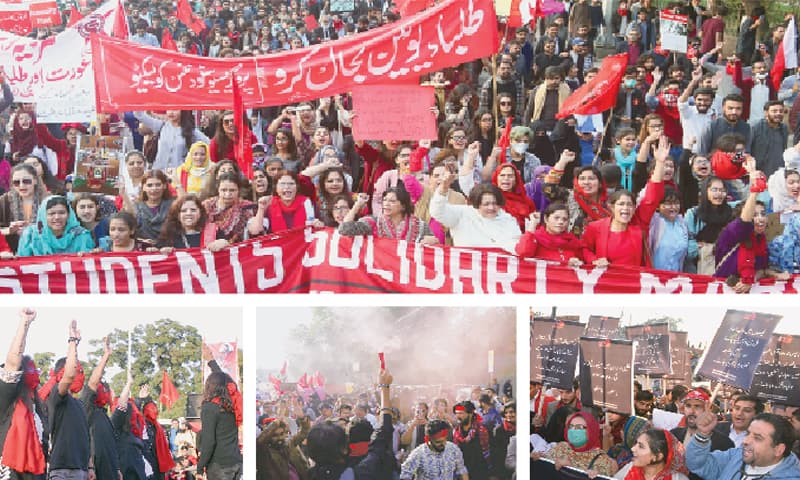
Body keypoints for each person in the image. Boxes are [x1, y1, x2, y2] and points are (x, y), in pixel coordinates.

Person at [581, 136, 668, 267]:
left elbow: (652, 197)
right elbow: (584, 249)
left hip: (634, 283)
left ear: (634, 208)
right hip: (606, 282)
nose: (626, 208)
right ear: (611, 206)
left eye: (629, 205)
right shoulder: (596, 228)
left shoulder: (639, 223)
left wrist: (660, 163)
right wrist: (594, 260)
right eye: (621, 204)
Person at [306, 368, 395, 479]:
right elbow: (382, 437)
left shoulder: (308, 475)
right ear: (344, 449)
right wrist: (384, 388)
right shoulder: (357, 474)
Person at [0, 309, 47, 480]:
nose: (34, 373)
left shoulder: (39, 410)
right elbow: (13, 360)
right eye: (29, 368)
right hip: (9, 472)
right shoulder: (7, 398)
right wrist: (25, 323)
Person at [687, 412, 800, 479]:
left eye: (757, 438)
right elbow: (698, 465)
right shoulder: (735, 456)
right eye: (748, 433)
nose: (745, 441)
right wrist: (703, 434)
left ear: (778, 450)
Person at [430, 170, 522, 253]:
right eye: (486, 204)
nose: (491, 207)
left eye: (495, 203)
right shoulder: (462, 214)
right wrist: (444, 188)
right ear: (477, 204)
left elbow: (517, 247)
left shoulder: (508, 220)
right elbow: (437, 211)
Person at [46, 319, 91, 480]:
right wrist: (73, 342)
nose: (79, 373)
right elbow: (69, 375)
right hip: (61, 470)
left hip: (81, 470)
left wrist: (90, 466)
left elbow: (86, 437)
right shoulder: (57, 397)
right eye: (76, 369)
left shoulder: (79, 404)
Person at [339, 186, 437, 244]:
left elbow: (435, 246)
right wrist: (357, 205)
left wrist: (433, 241)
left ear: (403, 206)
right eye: (385, 200)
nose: (386, 204)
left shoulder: (420, 226)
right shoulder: (373, 222)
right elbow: (344, 229)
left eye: (392, 201)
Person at [197, 370, 243, 480]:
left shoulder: (210, 408)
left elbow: (209, 441)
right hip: (236, 462)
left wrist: (200, 466)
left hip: (219, 465)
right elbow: (226, 379)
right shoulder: (233, 408)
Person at [684, 177, 735, 274]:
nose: (719, 193)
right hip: (699, 266)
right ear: (705, 191)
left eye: (722, 190)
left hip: (726, 263)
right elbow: (687, 245)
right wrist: (700, 248)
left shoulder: (731, 211)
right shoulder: (693, 214)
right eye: (714, 190)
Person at [545, 411, 619, 476]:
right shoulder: (561, 447)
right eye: (570, 426)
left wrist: (571, 468)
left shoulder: (602, 460)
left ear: (591, 431)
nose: (573, 430)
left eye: (579, 427)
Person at [17, 195, 94, 256]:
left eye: (61, 213)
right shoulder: (30, 235)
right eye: (51, 213)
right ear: (43, 216)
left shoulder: (81, 235)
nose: (57, 217)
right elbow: (20, 263)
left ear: (69, 215)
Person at [134, 110, 209, 171]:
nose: (171, 112)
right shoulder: (161, 126)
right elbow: (139, 115)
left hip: (179, 173)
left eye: (175, 109)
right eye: (169, 109)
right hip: (159, 171)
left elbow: (208, 143)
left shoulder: (191, 131)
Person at [256, 397, 310, 480]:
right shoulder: (264, 452)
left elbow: (304, 432)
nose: (280, 438)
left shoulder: (289, 443)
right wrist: (276, 422)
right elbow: (258, 442)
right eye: (275, 435)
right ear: (268, 436)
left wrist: (302, 418)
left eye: (282, 434)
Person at [515, 203, 585, 265]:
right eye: (556, 218)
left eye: (564, 219)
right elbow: (523, 253)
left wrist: (576, 263)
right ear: (546, 219)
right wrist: (533, 224)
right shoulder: (535, 238)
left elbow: (584, 260)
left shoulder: (572, 241)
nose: (561, 222)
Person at [0, 164, 48, 252]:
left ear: (35, 181)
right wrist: (9, 230)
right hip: (13, 252)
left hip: (43, 250)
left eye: (26, 181)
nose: (21, 185)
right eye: (16, 182)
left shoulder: (48, 200)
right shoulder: (4, 201)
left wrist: (33, 230)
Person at [400, 419, 469, 480]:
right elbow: (405, 475)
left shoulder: (453, 449)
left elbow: (462, 471)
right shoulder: (418, 453)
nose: (443, 444)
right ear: (428, 439)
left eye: (445, 440)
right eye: (438, 442)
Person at [158, 194, 230, 251]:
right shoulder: (168, 234)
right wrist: (162, 252)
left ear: (200, 212)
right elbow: (156, 256)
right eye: (184, 211)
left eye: (193, 210)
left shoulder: (214, 231)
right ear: (177, 214)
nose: (188, 213)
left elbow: (230, 252)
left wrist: (224, 243)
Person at [202, 173, 262, 242]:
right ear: (218, 189)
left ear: (238, 190)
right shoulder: (206, 206)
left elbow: (254, 231)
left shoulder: (247, 207)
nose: (227, 194)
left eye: (232, 190)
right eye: (224, 190)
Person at [120, 169, 175, 243]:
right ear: (143, 187)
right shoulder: (137, 206)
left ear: (164, 186)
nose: (154, 189)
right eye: (149, 185)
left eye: (158, 185)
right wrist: (124, 195)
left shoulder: (173, 204)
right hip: (144, 249)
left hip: (169, 249)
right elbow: (132, 217)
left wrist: (177, 183)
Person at [614, 429, 690, 480]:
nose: (633, 449)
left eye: (641, 446)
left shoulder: (677, 478)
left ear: (657, 456)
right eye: (636, 443)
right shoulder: (629, 469)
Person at [452, 400, 491, 480]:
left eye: (461, 413)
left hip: (480, 472)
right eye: (456, 413)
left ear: (470, 414)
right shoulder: (456, 432)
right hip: (461, 472)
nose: (458, 416)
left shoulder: (481, 430)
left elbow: (487, 452)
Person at [492, 163, 536, 230]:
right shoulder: (491, 199)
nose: (506, 178)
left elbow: (534, 222)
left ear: (516, 179)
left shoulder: (526, 201)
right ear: (496, 178)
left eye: (510, 176)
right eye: (502, 175)